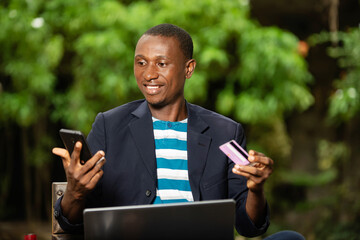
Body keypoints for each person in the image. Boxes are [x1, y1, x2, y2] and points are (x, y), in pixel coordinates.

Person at [53, 23, 304, 239]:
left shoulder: (224, 132)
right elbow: (72, 223)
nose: (149, 74)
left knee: (290, 238)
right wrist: (75, 192)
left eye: (161, 63)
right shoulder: (109, 125)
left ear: (188, 69)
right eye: (141, 63)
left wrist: (256, 190)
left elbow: (248, 226)